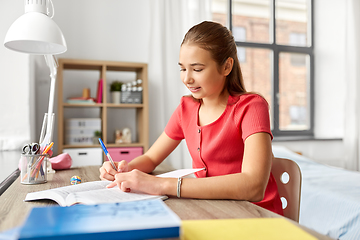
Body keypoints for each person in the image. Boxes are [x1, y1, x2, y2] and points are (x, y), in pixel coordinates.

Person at [100, 21, 283, 215]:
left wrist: (162, 185)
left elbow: (253, 186)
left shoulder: (251, 107)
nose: (187, 79)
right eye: (182, 69)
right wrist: (124, 169)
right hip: (213, 209)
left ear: (227, 66)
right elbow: (151, 158)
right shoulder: (186, 108)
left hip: (256, 214)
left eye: (197, 69)